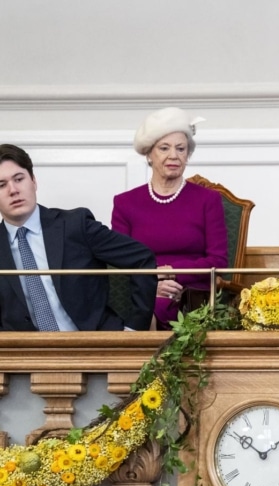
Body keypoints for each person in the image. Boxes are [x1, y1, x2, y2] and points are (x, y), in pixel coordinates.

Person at [0, 144, 156, 332]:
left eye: (19, 179)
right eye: (2, 185)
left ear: (33, 181)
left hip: (94, 345)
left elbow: (142, 258)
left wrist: (133, 329)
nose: (13, 190)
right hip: (26, 354)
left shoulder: (75, 225)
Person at [112, 107, 228, 329]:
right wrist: (151, 282)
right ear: (149, 154)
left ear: (188, 154)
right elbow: (120, 262)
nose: (173, 156)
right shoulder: (125, 203)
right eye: (164, 148)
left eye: (181, 148)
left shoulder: (208, 200)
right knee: (150, 305)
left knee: (156, 306)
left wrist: (171, 274)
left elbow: (219, 261)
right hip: (143, 291)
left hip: (193, 293)